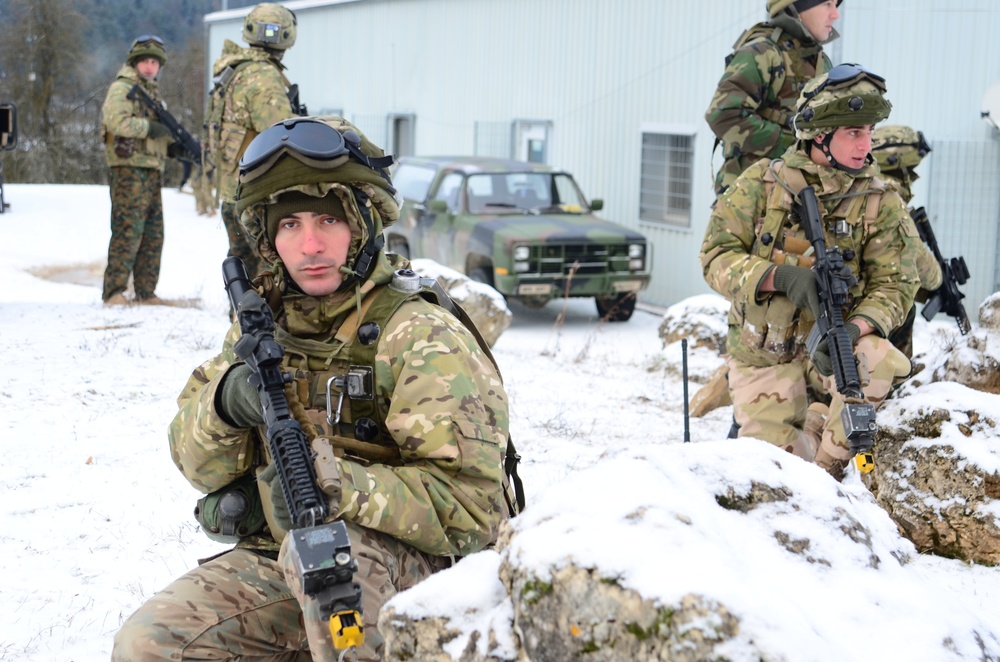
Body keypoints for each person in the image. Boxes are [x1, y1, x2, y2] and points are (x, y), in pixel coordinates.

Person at [112, 117, 514, 661]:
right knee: (150, 645)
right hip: (285, 555)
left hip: (416, 565)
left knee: (332, 571)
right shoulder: (263, 327)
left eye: (329, 219)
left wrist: (337, 484)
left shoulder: (418, 334)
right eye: (290, 225)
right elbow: (197, 468)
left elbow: (473, 512)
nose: (310, 245)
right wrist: (227, 405)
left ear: (364, 223)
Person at [699, 64, 919, 478]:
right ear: (820, 134)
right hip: (767, 358)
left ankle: (827, 478)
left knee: (879, 359)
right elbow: (714, 257)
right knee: (772, 472)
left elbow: (897, 285)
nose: (865, 144)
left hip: (835, 356)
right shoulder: (760, 185)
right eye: (854, 132)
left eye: (870, 131)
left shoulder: (881, 201)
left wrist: (856, 330)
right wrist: (778, 278)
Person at [706, 0, 842, 197]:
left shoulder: (819, 59)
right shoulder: (763, 52)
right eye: (827, 4)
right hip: (751, 197)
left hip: (795, 193)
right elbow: (723, 115)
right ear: (796, 8)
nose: (835, 14)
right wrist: (791, 147)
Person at [205, 1, 301, 279]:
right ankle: (261, 322)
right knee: (270, 269)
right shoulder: (263, 75)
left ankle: (239, 319)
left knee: (241, 263)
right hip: (256, 191)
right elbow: (282, 133)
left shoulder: (235, 70)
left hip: (232, 189)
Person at [100, 35, 173, 306]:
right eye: (145, 61)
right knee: (127, 230)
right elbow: (116, 122)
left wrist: (170, 145)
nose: (150, 66)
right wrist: (149, 129)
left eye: (155, 62)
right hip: (128, 169)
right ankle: (114, 291)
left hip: (151, 168)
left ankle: (145, 291)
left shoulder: (151, 91)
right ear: (135, 62)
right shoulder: (123, 88)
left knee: (153, 233)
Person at [872, 125, 944, 358]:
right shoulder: (890, 196)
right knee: (903, 302)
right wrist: (939, 282)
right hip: (870, 301)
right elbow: (920, 261)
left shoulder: (858, 183)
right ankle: (894, 380)